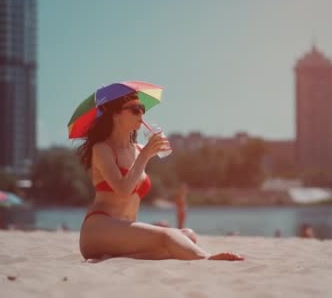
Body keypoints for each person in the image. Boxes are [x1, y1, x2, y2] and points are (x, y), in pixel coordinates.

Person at [77, 92, 243, 261]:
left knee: (188, 235)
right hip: (99, 229)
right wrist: (145, 155)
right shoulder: (102, 149)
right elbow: (122, 190)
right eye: (135, 110)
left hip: (126, 231)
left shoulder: (140, 149)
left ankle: (122, 255)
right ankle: (206, 258)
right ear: (115, 115)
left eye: (142, 109)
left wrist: (149, 151)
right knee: (168, 237)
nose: (141, 114)